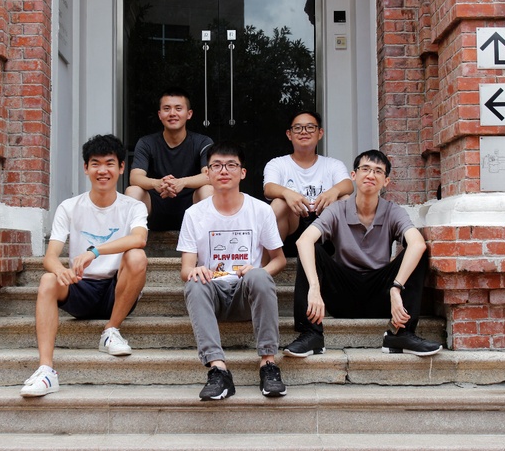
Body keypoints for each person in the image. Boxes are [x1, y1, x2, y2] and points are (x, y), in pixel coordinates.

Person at [20, 134, 148, 397]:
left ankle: (111, 330)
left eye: (110, 163)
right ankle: (46, 370)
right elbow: (50, 257)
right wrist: (61, 271)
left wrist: (94, 252)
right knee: (47, 279)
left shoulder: (133, 206)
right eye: (95, 164)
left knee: (137, 256)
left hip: (116, 291)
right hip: (81, 287)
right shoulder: (69, 207)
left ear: (121, 167)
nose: (103, 170)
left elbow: (139, 239)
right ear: (86, 168)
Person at [285, 149, 442, 358]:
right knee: (312, 249)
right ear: (354, 175)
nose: (371, 175)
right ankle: (311, 333)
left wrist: (396, 288)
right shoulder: (337, 209)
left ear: (386, 181)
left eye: (378, 171)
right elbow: (303, 240)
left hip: (381, 293)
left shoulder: (393, 211)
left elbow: (417, 244)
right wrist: (314, 287)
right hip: (342, 294)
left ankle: (401, 334)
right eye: (365, 169)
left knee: (418, 252)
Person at [177, 140, 288, 401]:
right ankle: (218, 370)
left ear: (243, 172)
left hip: (245, 295)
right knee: (194, 282)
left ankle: (268, 364)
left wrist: (257, 270)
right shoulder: (194, 214)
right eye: (217, 165)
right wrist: (196, 271)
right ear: (207, 173)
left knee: (259, 274)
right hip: (213, 295)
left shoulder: (260, 210)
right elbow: (185, 269)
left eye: (231, 165)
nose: (224, 170)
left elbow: (279, 260)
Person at [126, 87, 214, 230]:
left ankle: (209, 241)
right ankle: (133, 240)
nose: (172, 113)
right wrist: (157, 183)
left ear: (189, 114)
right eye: (167, 109)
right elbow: (135, 177)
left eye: (178, 108)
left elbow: (209, 175)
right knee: (133, 191)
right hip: (156, 202)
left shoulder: (203, 142)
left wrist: (182, 182)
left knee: (207, 190)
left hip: (190, 204)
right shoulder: (146, 143)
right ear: (160, 114)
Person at [263, 110, 353, 245]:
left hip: (325, 227)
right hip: (292, 228)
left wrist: (333, 192)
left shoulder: (333, 164)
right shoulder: (277, 163)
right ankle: (269, 258)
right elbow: (269, 188)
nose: (304, 132)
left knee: (345, 200)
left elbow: (348, 185)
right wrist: (287, 193)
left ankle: (350, 256)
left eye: (310, 127)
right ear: (289, 134)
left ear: (320, 133)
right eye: (298, 128)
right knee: (279, 203)